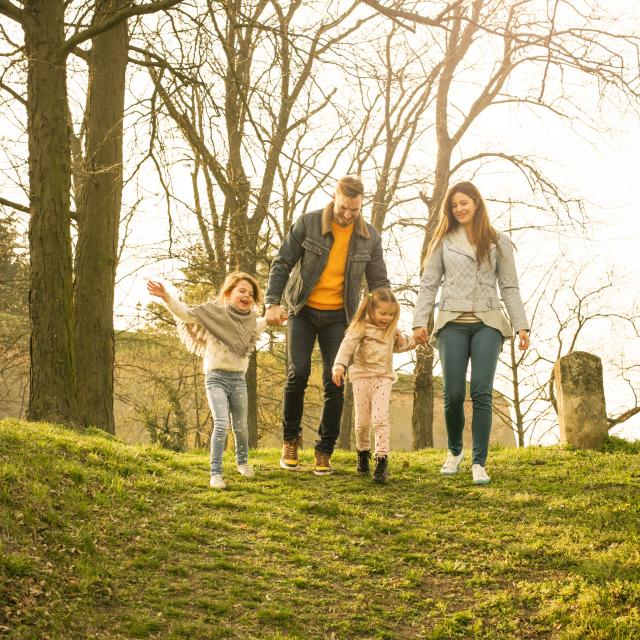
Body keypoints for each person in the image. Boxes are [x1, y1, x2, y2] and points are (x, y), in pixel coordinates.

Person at [264, 175, 390, 476]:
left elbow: (379, 283)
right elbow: (282, 262)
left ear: (361, 206)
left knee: (334, 382)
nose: (347, 215)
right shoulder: (308, 224)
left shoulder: (370, 237)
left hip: (339, 317)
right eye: (343, 207)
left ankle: (324, 450)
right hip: (302, 310)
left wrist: (388, 321)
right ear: (334, 197)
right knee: (298, 373)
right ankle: (290, 440)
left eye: (355, 210)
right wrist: (272, 302)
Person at [412, 181, 530, 485]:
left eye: (463, 203)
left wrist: (521, 325)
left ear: (476, 202)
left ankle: (479, 461)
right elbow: (428, 283)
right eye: (454, 205)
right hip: (451, 322)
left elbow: (510, 286)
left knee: (481, 391)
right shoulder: (443, 241)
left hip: (488, 323)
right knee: (452, 393)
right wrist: (419, 321)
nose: (459, 209)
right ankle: (454, 452)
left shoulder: (498, 241)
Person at [147, 272, 267, 490]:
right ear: (229, 293)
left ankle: (242, 463)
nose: (247, 296)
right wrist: (166, 297)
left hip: (238, 379)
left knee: (241, 427)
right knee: (222, 424)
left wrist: (272, 317)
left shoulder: (249, 320)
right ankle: (216, 473)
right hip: (216, 378)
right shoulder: (213, 313)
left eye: (251, 293)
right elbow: (185, 314)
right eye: (242, 291)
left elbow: (258, 326)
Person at [331, 288, 415, 483]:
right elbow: (346, 346)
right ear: (371, 310)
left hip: (383, 379)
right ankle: (363, 454)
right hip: (361, 378)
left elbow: (398, 347)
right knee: (362, 423)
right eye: (383, 313)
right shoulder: (360, 327)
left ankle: (382, 458)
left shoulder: (391, 330)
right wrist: (339, 366)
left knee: (379, 418)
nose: (387, 318)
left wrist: (415, 341)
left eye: (391, 314)